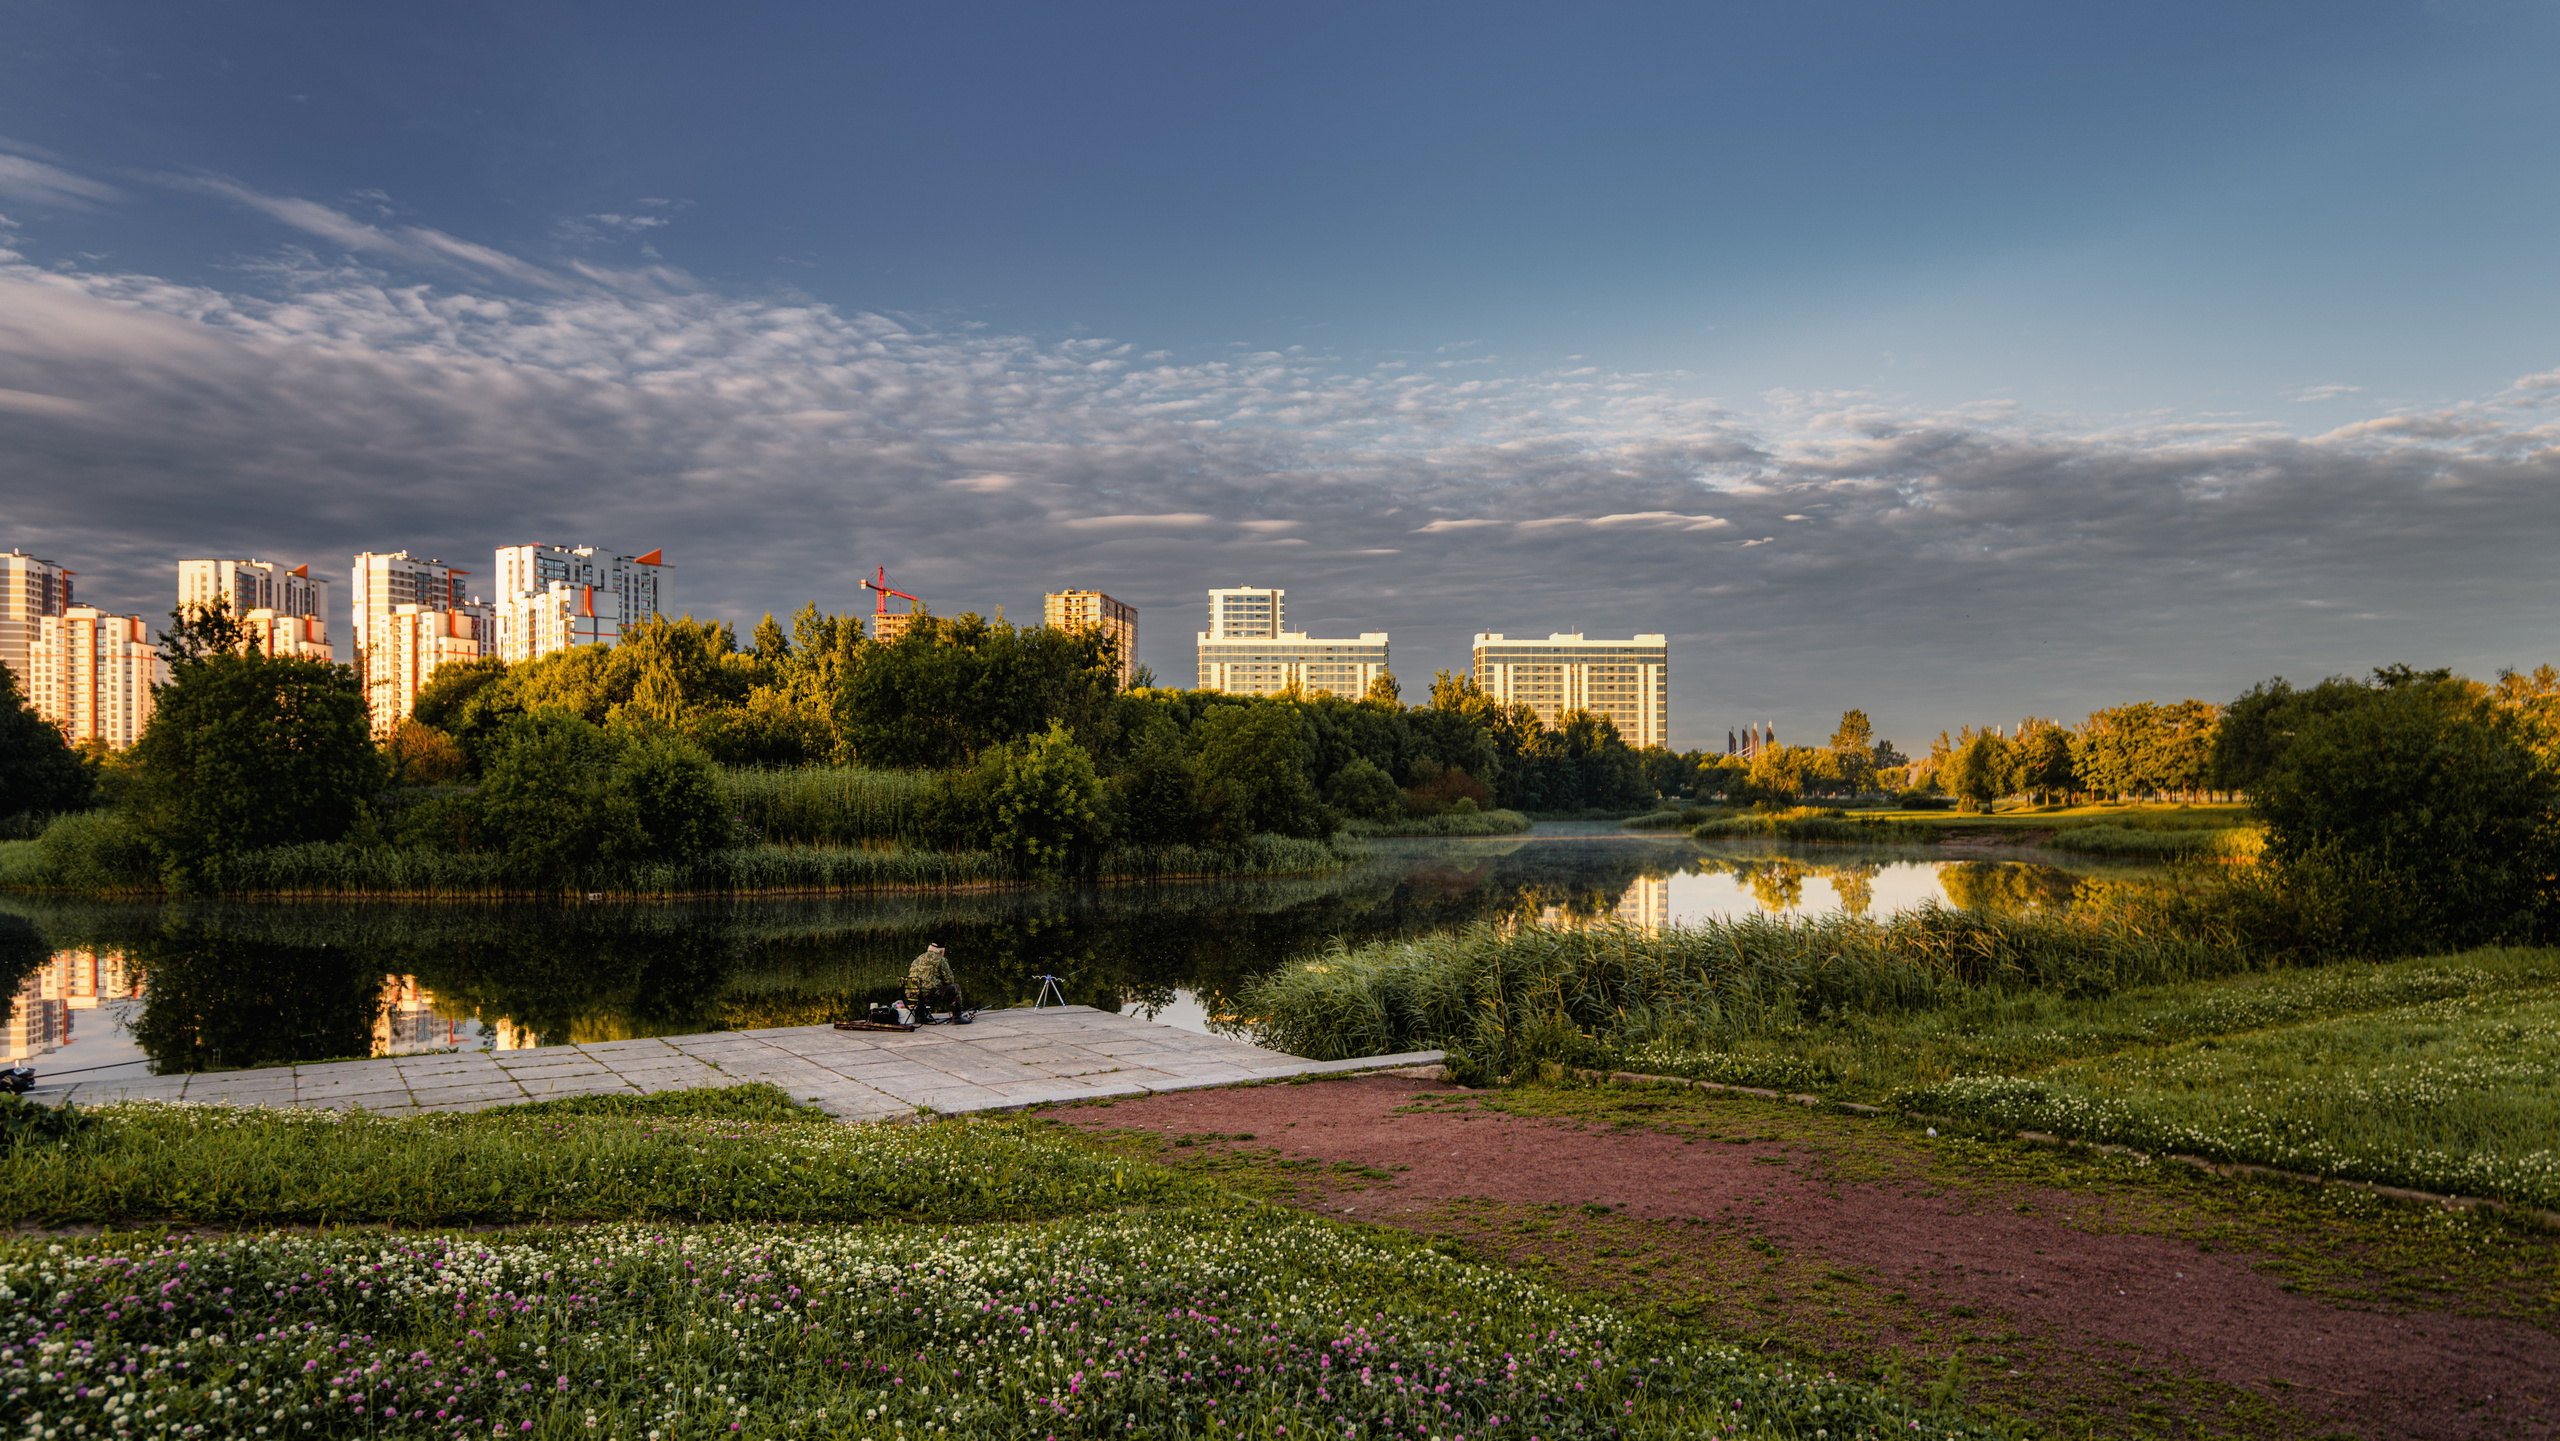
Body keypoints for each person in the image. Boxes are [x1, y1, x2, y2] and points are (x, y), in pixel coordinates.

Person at [906, 942, 967, 1022]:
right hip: (928, 996)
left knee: (922, 988)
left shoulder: (918, 959)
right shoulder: (940, 959)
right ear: (941, 951)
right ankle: (957, 1017)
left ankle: (921, 1015)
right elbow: (949, 980)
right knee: (955, 987)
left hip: (911, 995)